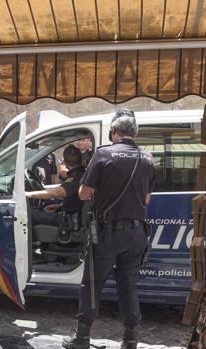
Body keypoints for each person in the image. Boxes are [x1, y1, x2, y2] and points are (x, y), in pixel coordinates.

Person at [63, 107, 156, 349]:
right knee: (128, 285)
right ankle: (130, 340)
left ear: (113, 131)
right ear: (134, 133)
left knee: (92, 284)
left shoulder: (103, 155)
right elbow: (146, 200)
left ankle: (82, 338)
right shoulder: (148, 158)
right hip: (136, 234)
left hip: (108, 233)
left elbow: (83, 194)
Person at [25, 145, 85, 226]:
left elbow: (57, 193)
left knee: (31, 214)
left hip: (69, 220)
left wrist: (29, 194)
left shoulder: (75, 177)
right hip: (70, 213)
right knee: (44, 208)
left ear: (65, 162)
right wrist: (60, 206)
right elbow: (73, 198)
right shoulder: (80, 173)